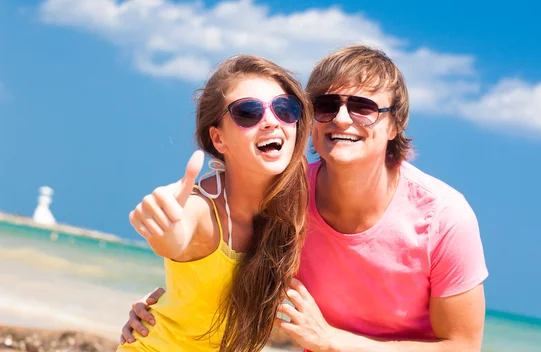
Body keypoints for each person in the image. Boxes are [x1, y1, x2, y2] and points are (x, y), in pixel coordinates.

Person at [121, 46, 488, 352]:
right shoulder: (286, 196)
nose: (342, 118)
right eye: (327, 106)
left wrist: (333, 341)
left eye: (363, 107)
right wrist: (167, 303)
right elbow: (202, 242)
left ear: (394, 126)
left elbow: (463, 346)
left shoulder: (443, 217)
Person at [118, 54, 313, 352]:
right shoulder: (202, 210)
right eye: (248, 112)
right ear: (218, 139)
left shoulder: (297, 199)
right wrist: (160, 222)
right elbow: (176, 236)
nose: (271, 121)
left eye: (284, 109)